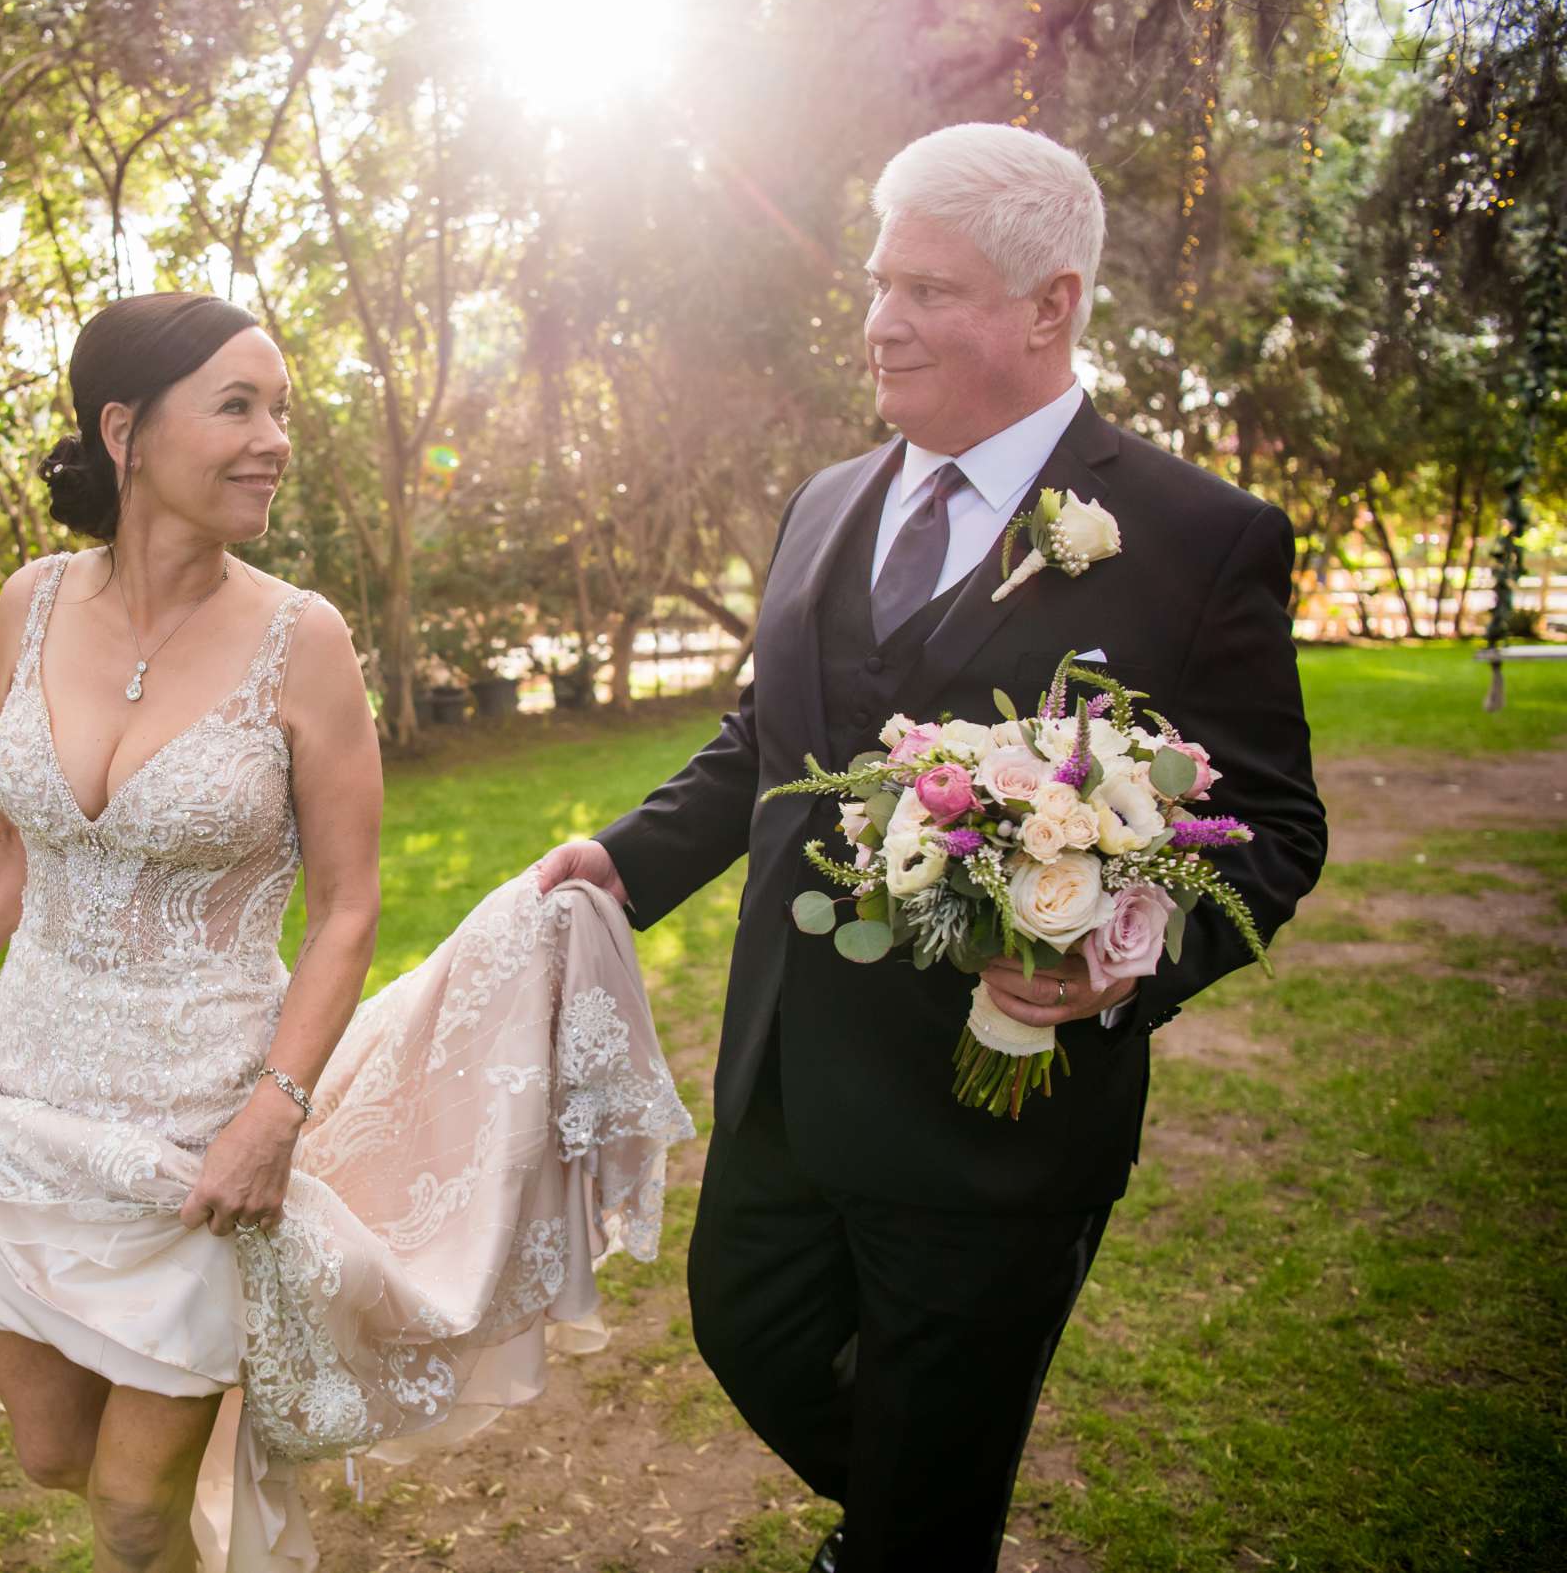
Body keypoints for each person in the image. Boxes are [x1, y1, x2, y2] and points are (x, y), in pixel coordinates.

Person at [536, 123, 1326, 1573]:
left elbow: (1276, 824)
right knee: (749, 1332)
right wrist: (626, 860)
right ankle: (924, 1508)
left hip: (1003, 1119)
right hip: (787, 1075)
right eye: (880, 281)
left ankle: (912, 1531)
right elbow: (765, 742)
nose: (882, 323)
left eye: (931, 291)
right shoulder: (827, 500)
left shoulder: (1199, 536)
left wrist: (1119, 966)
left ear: (1051, 306)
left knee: (914, 1499)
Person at [0, 292, 691, 1573]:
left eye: (282, 411)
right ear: (125, 430)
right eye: (238, 407)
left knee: (129, 1505)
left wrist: (275, 1109)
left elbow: (348, 907)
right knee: (52, 1452)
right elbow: (3, 833)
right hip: (29, 1098)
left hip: (198, 1128)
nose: (275, 438)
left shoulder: (302, 641)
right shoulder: (29, 606)